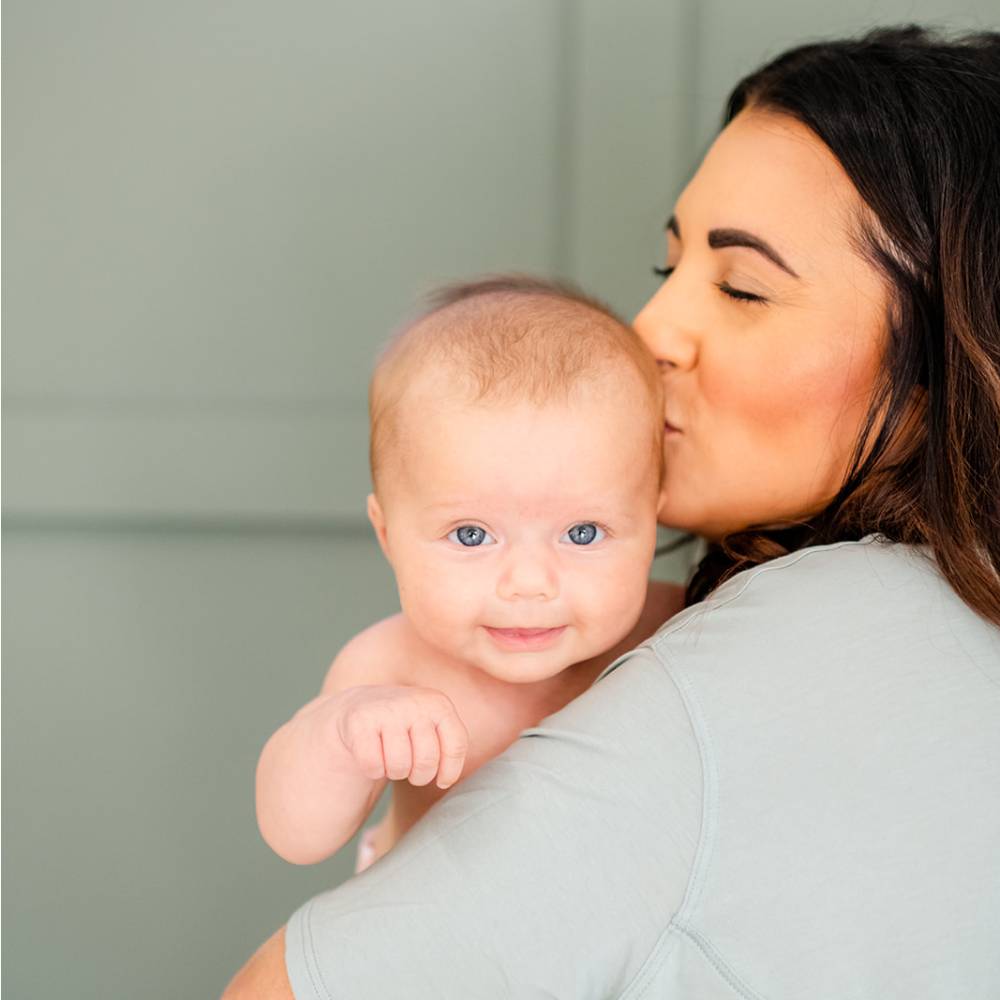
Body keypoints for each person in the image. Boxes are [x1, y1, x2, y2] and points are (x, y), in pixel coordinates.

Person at [223, 26, 1000, 998]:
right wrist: (345, 740)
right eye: (664, 271)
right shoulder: (897, 624)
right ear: (389, 527)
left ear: (941, 356)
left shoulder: (726, 658)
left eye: (742, 287)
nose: (650, 331)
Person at [254, 278, 683, 874]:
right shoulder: (388, 668)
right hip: (426, 948)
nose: (530, 583)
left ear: (653, 516)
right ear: (388, 535)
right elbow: (295, 835)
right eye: (471, 535)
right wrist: (344, 736)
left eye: (582, 533)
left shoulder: (678, 632)